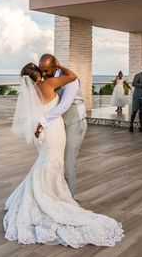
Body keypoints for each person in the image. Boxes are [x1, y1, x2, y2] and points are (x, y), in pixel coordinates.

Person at [5, 61, 124, 247]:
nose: (43, 73)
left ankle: (46, 190)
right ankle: (50, 194)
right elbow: (72, 77)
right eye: (40, 71)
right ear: (37, 75)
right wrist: (59, 64)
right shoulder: (48, 84)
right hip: (53, 128)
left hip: (42, 130)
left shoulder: (32, 92)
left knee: (47, 160)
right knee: (53, 161)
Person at [36, 54, 87, 197]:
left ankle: (68, 199)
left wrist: (43, 122)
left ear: (54, 66)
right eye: (42, 70)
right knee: (55, 158)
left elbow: (64, 105)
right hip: (58, 125)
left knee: (69, 161)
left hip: (74, 122)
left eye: (46, 71)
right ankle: (55, 194)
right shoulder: (46, 77)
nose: (44, 74)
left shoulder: (70, 79)